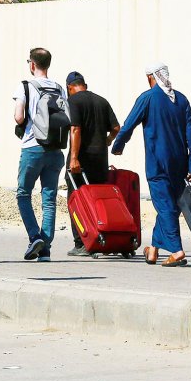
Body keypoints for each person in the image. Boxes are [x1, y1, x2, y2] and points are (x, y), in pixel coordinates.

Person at [112, 63, 191, 268]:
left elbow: (128, 124)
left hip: (158, 163)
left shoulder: (148, 98)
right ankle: (153, 250)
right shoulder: (182, 100)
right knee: (171, 206)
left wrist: (118, 145)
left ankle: (177, 251)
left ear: (151, 77)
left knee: (165, 206)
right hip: (180, 163)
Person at [13, 47, 68, 262]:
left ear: (32, 64)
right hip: (55, 150)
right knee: (49, 199)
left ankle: (35, 236)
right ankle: (45, 250)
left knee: (23, 193)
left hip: (32, 147)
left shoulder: (25, 86)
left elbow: (19, 117)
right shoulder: (58, 87)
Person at [64, 71, 120, 256]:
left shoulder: (73, 101)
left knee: (76, 201)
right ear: (84, 85)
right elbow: (116, 128)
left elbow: (75, 129)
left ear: (70, 88)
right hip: (100, 160)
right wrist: (109, 140)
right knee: (98, 202)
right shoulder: (102, 101)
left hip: (82, 160)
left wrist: (73, 157)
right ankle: (101, 237)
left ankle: (81, 242)